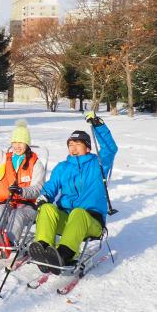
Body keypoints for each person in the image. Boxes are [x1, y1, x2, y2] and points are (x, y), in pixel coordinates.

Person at [28, 112, 118, 273]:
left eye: (77, 144)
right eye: (70, 144)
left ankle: (64, 254)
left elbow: (110, 148)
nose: (73, 148)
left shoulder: (98, 165)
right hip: (67, 219)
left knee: (78, 213)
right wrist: (44, 196)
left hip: (91, 222)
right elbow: (51, 186)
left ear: (88, 147)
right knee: (48, 208)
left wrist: (98, 125)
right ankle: (43, 248)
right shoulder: (63, 167)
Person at [0, 119, 45, 248]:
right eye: (14, 142)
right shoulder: (5, 159)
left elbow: (37, 188)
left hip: (27, 205)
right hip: (7, 201)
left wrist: (22, 191)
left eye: (20, 142)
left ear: (27, 144)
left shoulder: (36, 163)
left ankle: (10, 241)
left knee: (18, 214)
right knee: (0, 210)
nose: (17, 146)